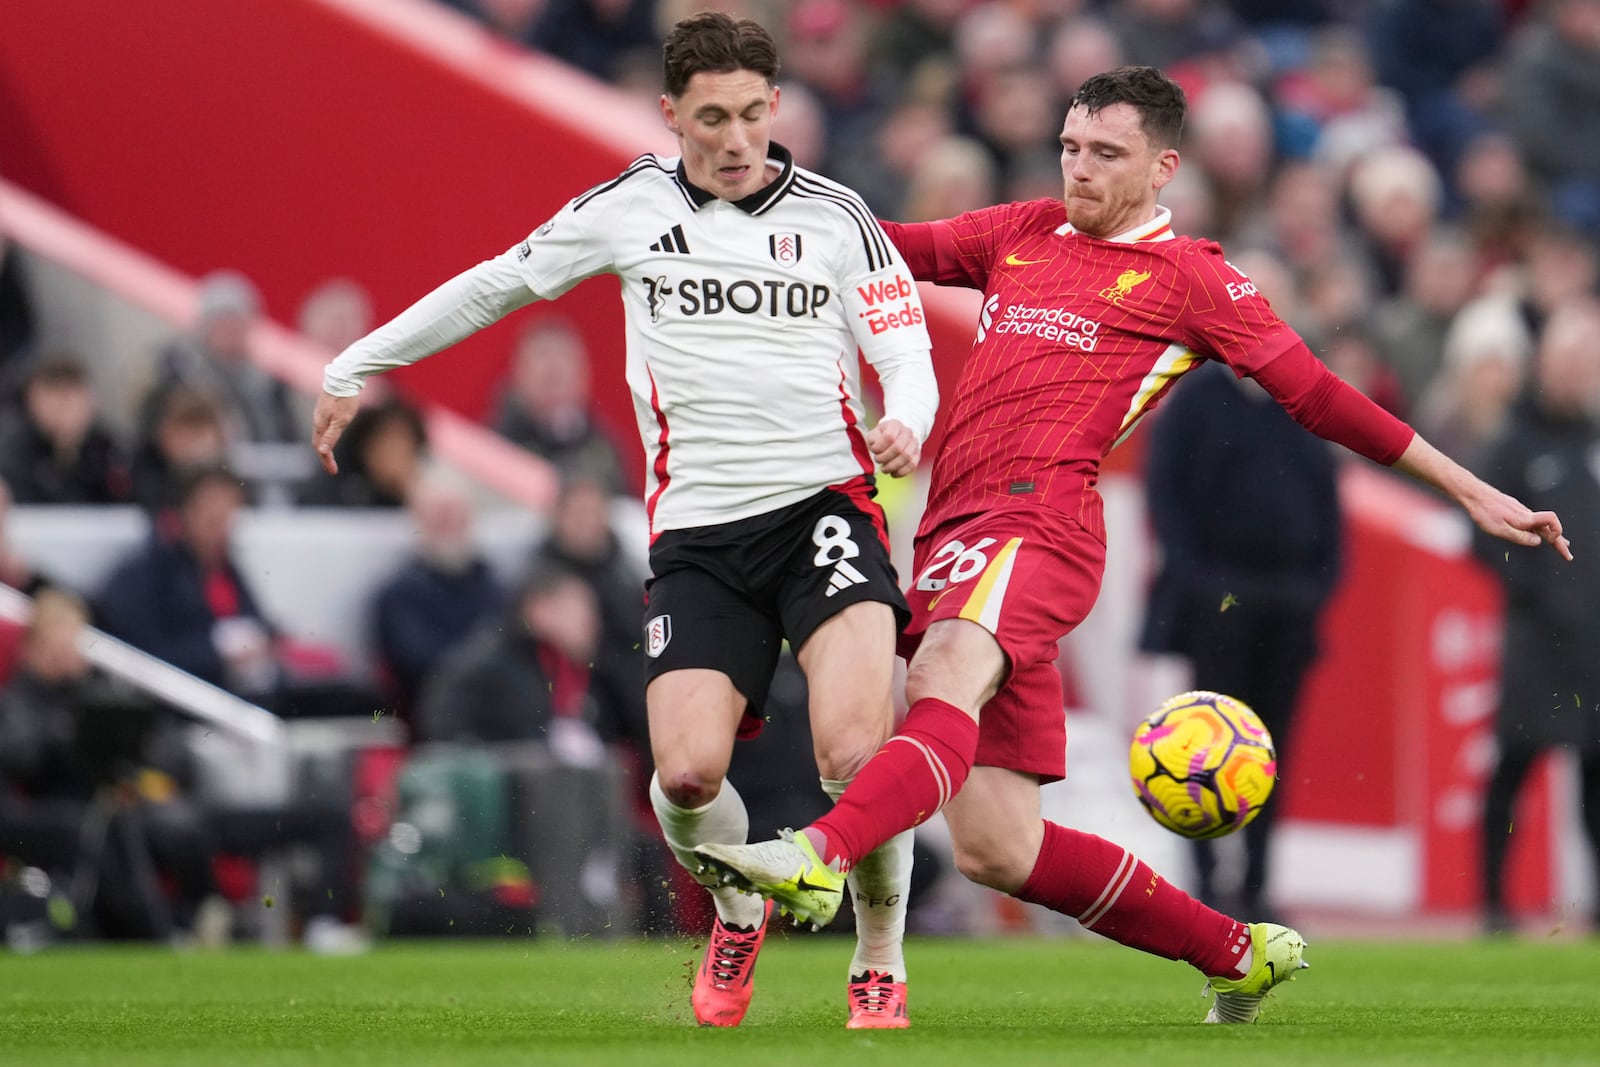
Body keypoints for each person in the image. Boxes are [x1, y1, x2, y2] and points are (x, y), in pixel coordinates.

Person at [695, 65, 1571, 1026]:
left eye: (1105, 154)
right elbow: (880, 249)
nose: (1078, 169)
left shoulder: (1194, 276)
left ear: (1164, 167)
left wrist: (1472, 488)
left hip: (1043, 524)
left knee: (942, 672)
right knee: (999, 847)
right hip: (953, 527)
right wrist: (759, 190)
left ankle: (813, 852)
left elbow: (1318, 395)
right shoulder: (1022, 232)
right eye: (1070, 147)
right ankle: (1238, 951)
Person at [309, 12, 939, 1030]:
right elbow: (497, 283)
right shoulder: (628, 208)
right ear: (669, 116)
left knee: (854, 754)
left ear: (775, 107)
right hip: (697, 536)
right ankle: (737, 907)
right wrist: (357, 364)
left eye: (749, 116)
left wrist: (905, 414)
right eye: (709, 120)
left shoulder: (837, 216)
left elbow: (905, 351)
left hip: (825, 508)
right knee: (687, 776)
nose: (734, 141)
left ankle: (877, 955)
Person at [1138, 360, 1342, 919]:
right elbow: (1165, 495)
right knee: (1198, 748)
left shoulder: (1299, 393)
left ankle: (1255, 885)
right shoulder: (1196, 399)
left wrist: (1318, 586)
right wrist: (1200, 583)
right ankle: (1203, 886)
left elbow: (1328, 496)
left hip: (1288, 604)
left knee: (1273, 750)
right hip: (1217, 605)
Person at [1471, 296, 1600, 936]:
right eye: (1568, 356)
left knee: (1597, 782)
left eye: (1588, 358)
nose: (1578, 369)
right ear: (1543, 362)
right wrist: (1536, 593)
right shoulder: (1515, 443)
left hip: (1595, 645)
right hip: (1536, 639)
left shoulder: (1594, 437)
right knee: (1514, 766)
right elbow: (1479, 535)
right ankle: (1493, 904)